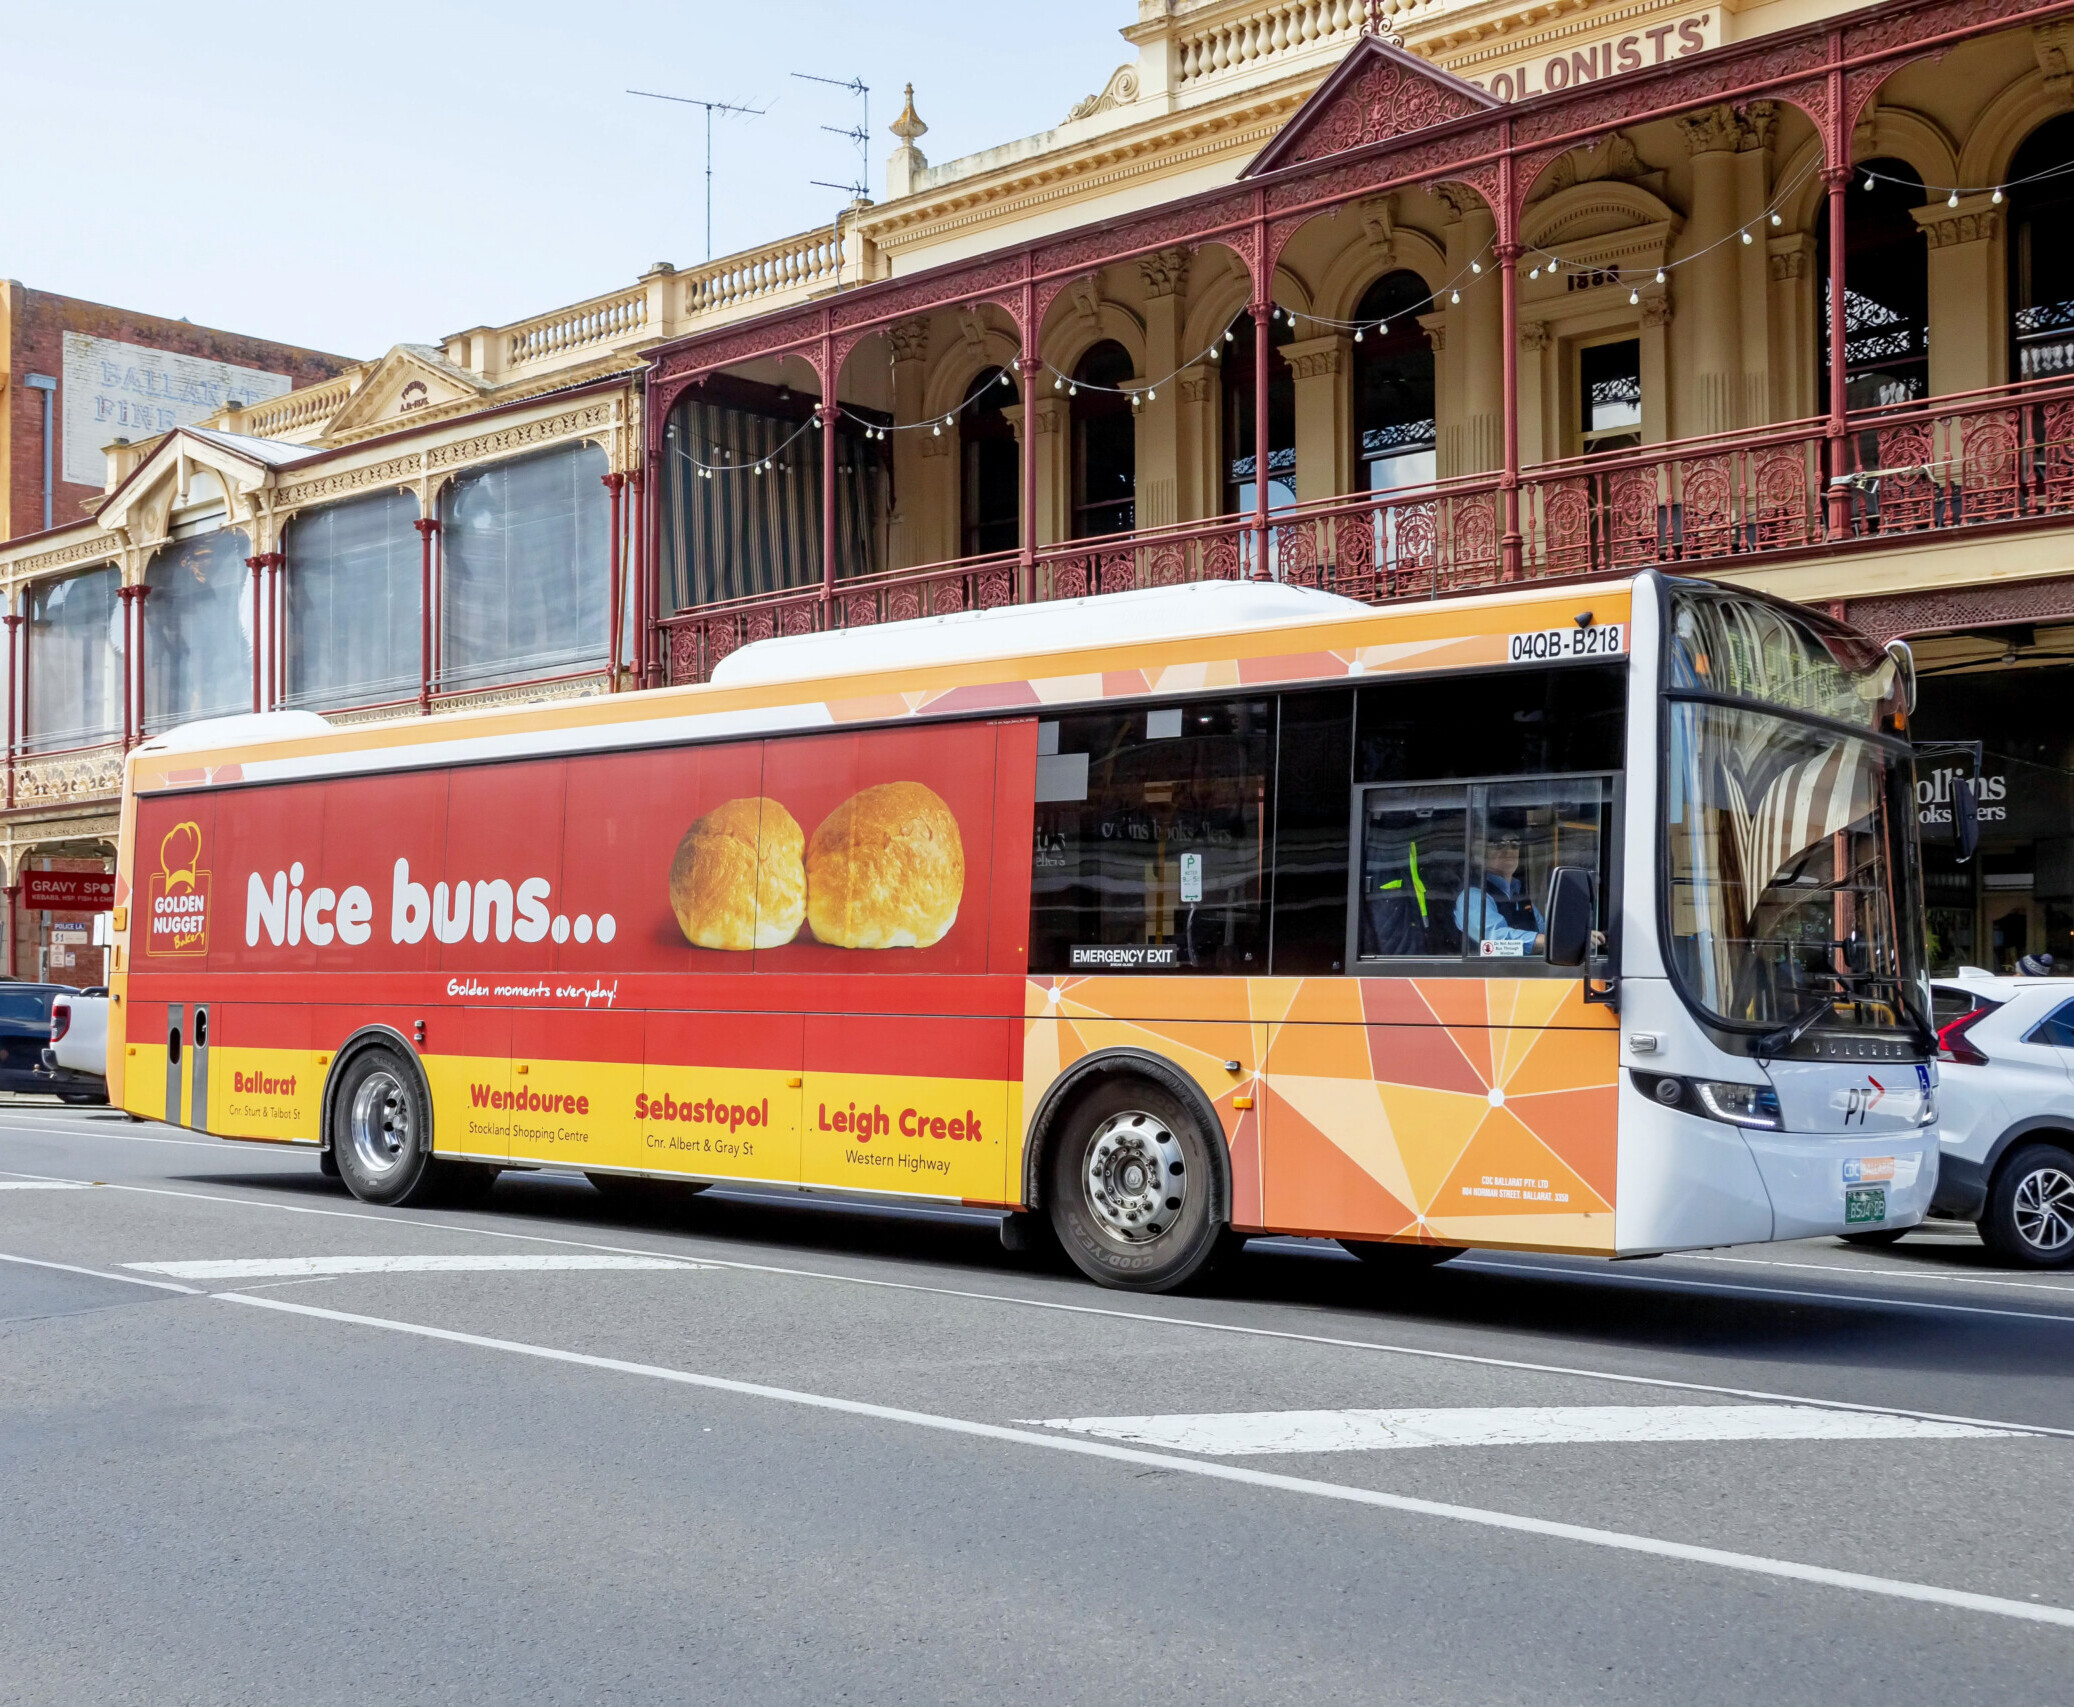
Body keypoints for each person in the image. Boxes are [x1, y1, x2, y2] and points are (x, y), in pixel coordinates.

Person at [1456, 826, 1545, 955]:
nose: (1509, 850)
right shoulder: (1472, 896)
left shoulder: (1518, 894)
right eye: (1498, 844)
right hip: (1485, 972)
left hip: (1523, 972)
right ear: (1478, 856)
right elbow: (1494, 938)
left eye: (1514, 844)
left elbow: (1544, 928)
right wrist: (1546, 941)